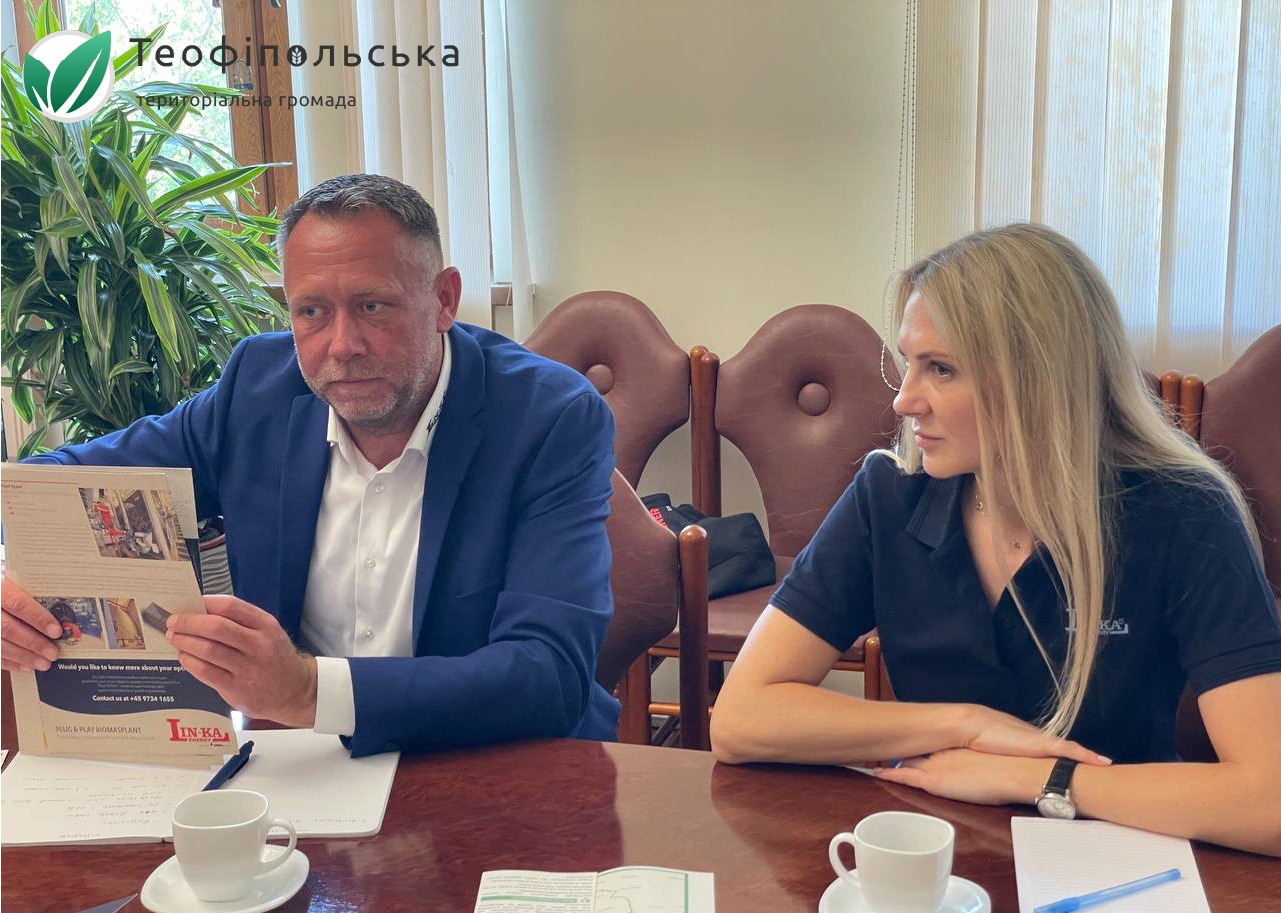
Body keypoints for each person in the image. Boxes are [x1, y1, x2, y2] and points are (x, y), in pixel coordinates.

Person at [710, 223, 1281, 857]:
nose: (904, 401)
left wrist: (1037, 778)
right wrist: (966, 724)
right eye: (907, 363)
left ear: (1040, 380)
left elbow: (1269, 802)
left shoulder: (1184, 512)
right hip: (936, 857)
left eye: (941, 369)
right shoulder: (889, 494)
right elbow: (740, 720)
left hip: (1121, 861)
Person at [1, 173, 620, 755]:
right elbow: (48, 483)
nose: (342, 345)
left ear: (444, 299)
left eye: (373, 306)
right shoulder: (257, 389)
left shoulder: (548, 418)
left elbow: (550, 677)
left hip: (495, 760)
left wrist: (306, 691)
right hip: (301, 762)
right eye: (311, 311)